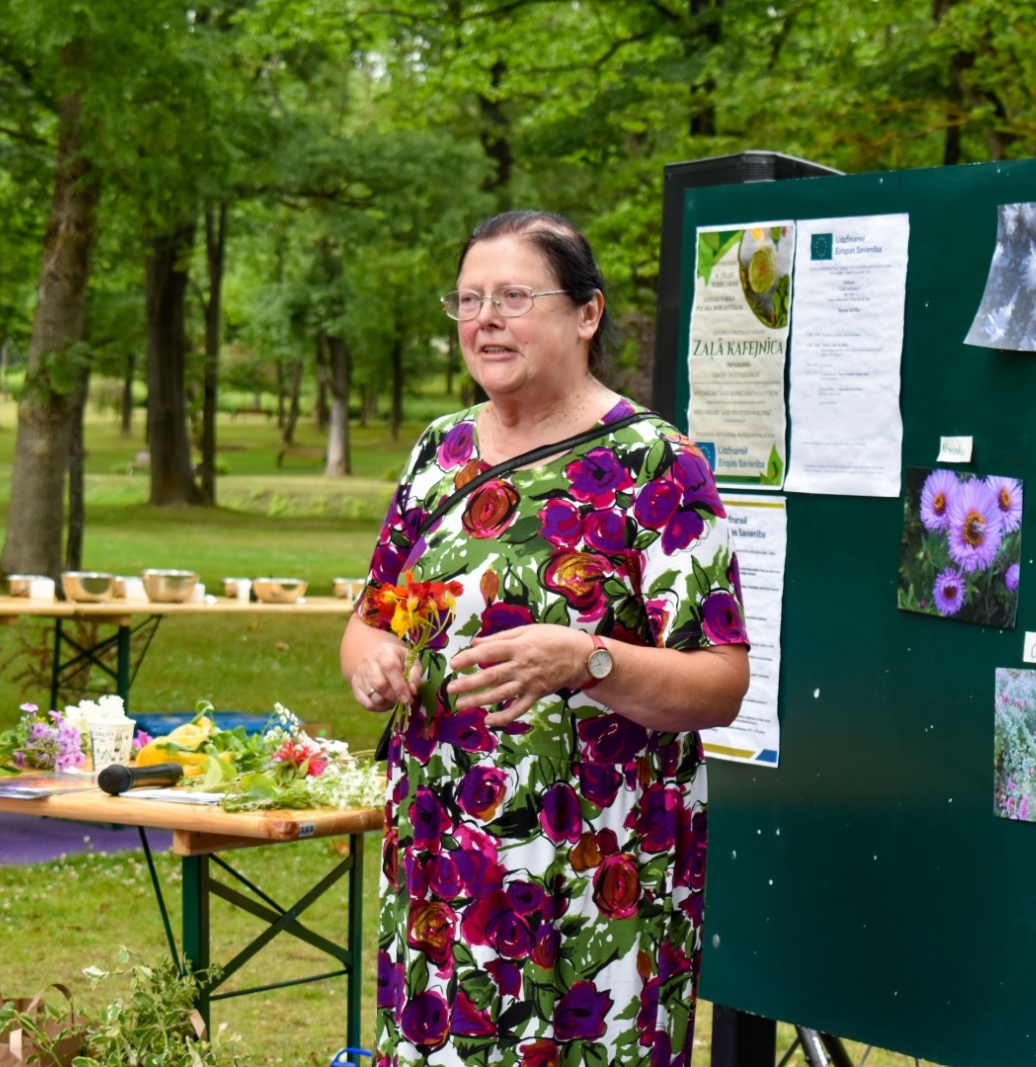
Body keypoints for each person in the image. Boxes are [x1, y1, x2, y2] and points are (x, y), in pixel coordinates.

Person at [340, 210, 750, 1065]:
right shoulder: (440, 451)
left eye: (515, 296)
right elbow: (372, 615)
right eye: (468, 299)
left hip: (594, 868)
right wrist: (373, 657)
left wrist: (586, 659)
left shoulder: (657, 465)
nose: (484, 318)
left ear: (588, 314)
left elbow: (721, 683)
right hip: (445, 855)